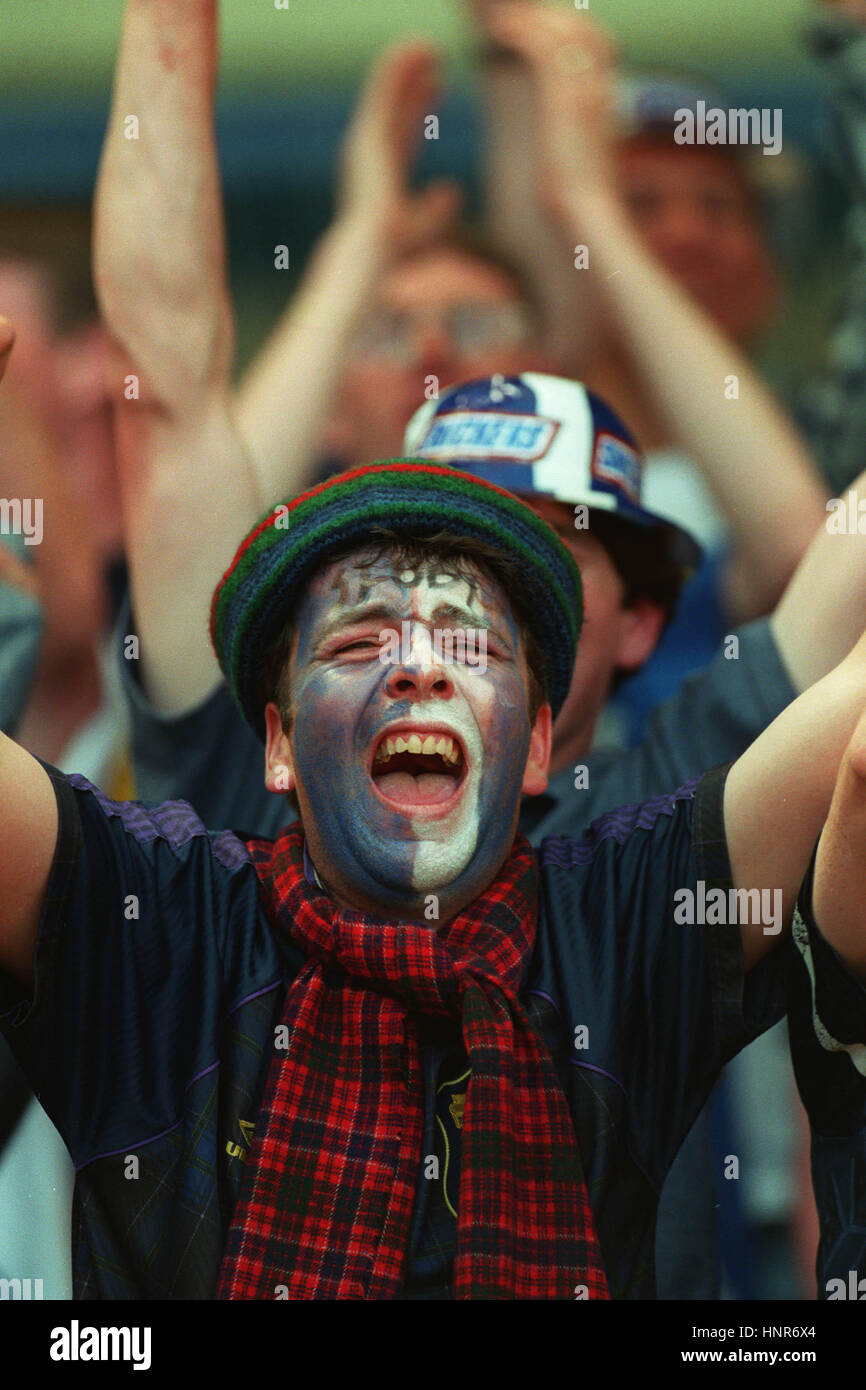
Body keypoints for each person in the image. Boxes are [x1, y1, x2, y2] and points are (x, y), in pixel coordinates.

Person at [3, 421, 866, 1296]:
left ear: (535, 746)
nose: (418, 668)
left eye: (472, 646)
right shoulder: (161, 928)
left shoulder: (622, 925)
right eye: (356, 644)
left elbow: (854, 732)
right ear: (279, 745)